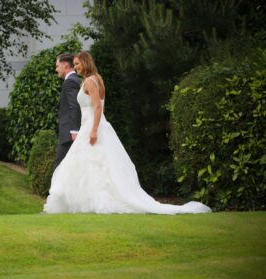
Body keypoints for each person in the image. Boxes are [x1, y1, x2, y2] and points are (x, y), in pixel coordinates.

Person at [44, 51, 211, 214]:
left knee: (94, 164)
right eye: (74, 65)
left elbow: (98, 107)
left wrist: (93, 130)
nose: (76, 67)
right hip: (93, 125)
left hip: (91, 127)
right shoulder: (97, 80)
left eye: (78, 64)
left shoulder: (89, 82)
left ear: (85, 63)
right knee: (94, 165)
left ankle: (99, 200)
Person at [54, 54, 82, 170]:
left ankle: (54, 189)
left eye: (57, 66)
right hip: (70, 133)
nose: (56, 69)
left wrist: (74, 131)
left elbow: (74, 106)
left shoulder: (70, 81)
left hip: (69, 135)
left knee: (59, 167)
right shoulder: (76, 80)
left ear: (65, 66)